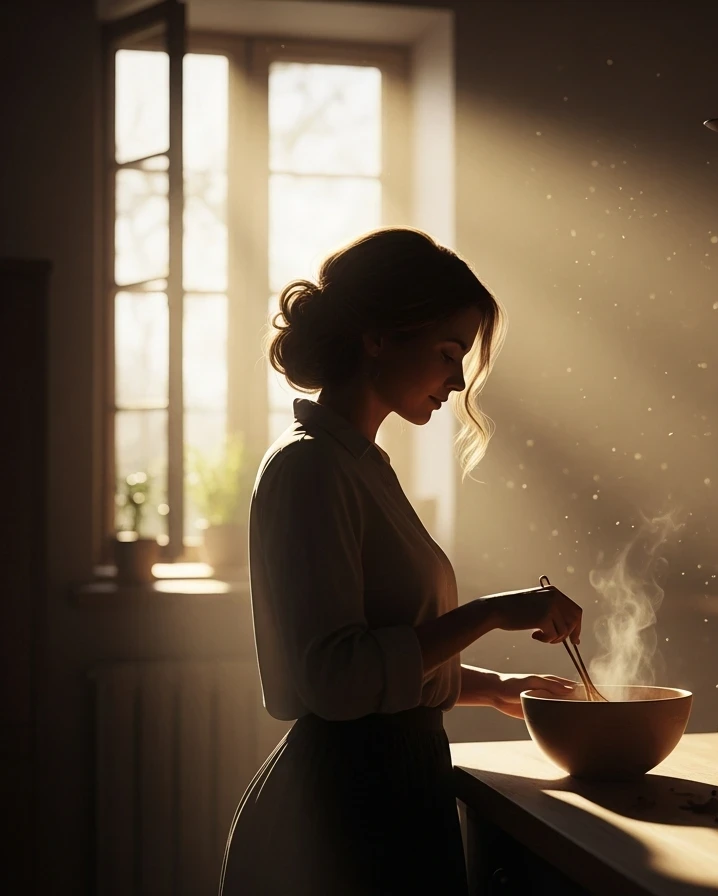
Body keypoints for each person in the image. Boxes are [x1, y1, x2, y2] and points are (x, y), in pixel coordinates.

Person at [219, 227, 582, 895]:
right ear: (377, 336)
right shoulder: (310, 467)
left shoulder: (359, 465)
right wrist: (491, 612)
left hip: (390, 791)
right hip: (344, 817)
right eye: (448, 352)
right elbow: (338, 679)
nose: (456, 379)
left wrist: (490, 687)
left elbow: (384, 664)